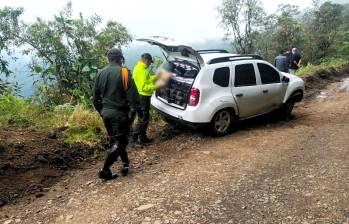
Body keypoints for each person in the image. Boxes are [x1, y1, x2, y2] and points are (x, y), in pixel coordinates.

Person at [93, 48, 140, 180]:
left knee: (117, 141)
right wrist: (134, 112)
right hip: (120, 114)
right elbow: (134, 97)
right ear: (120, 59)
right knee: (120, 142)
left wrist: (102, 112)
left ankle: (125, 164)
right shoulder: (124, 72)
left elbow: (95, 98)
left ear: (108, 59)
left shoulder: (100, 73)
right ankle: (105, 169)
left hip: (106, 113)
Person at [132, 53, 159, 148]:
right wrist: (157, 86)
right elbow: (144, 87)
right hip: (143, 97)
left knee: (142, 117)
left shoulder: (140, 68)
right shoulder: (141, 70)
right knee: (143, 118)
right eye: (150, 62)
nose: (150, 64)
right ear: (147, 60)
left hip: (142, 96)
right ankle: (135, 140)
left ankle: (142, 138)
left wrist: (156, 77)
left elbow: (146, 79)